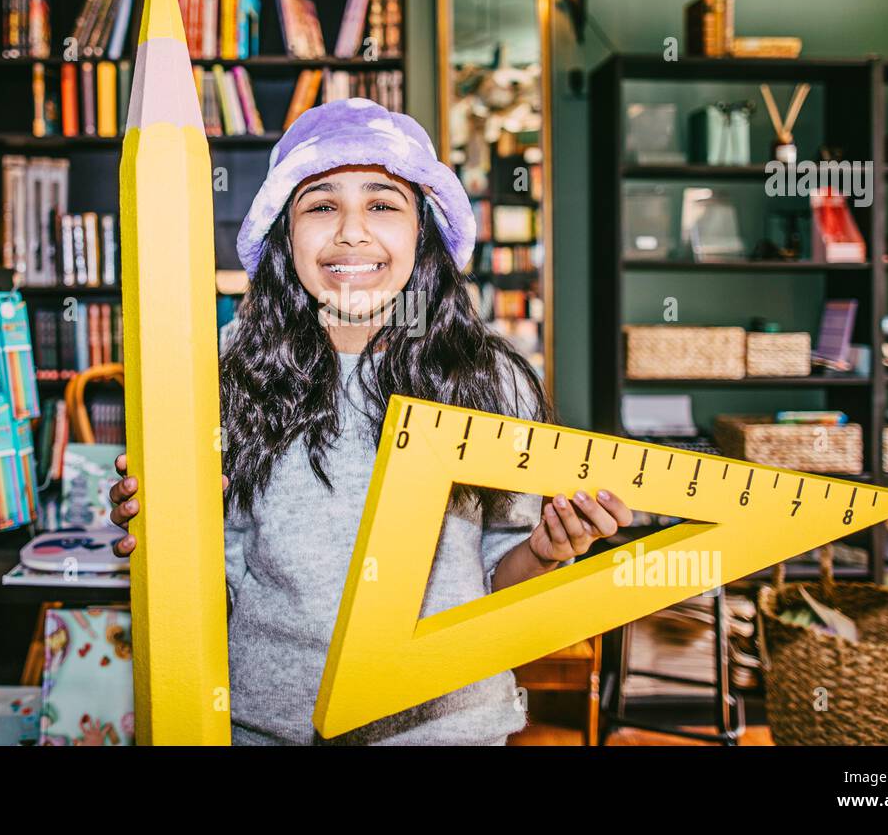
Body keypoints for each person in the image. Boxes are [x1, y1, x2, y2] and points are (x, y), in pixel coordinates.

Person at [109, 97, 633, 745]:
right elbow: (215, 589)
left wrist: (548, 551)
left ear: (424, 230)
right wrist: (164, 535)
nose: (352, 231)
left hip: (451, 728)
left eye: (383, 203)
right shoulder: (220, 374)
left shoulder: (486, 377)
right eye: (321, 204)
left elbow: (499, 579)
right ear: (283, 233)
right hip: (269, 726)